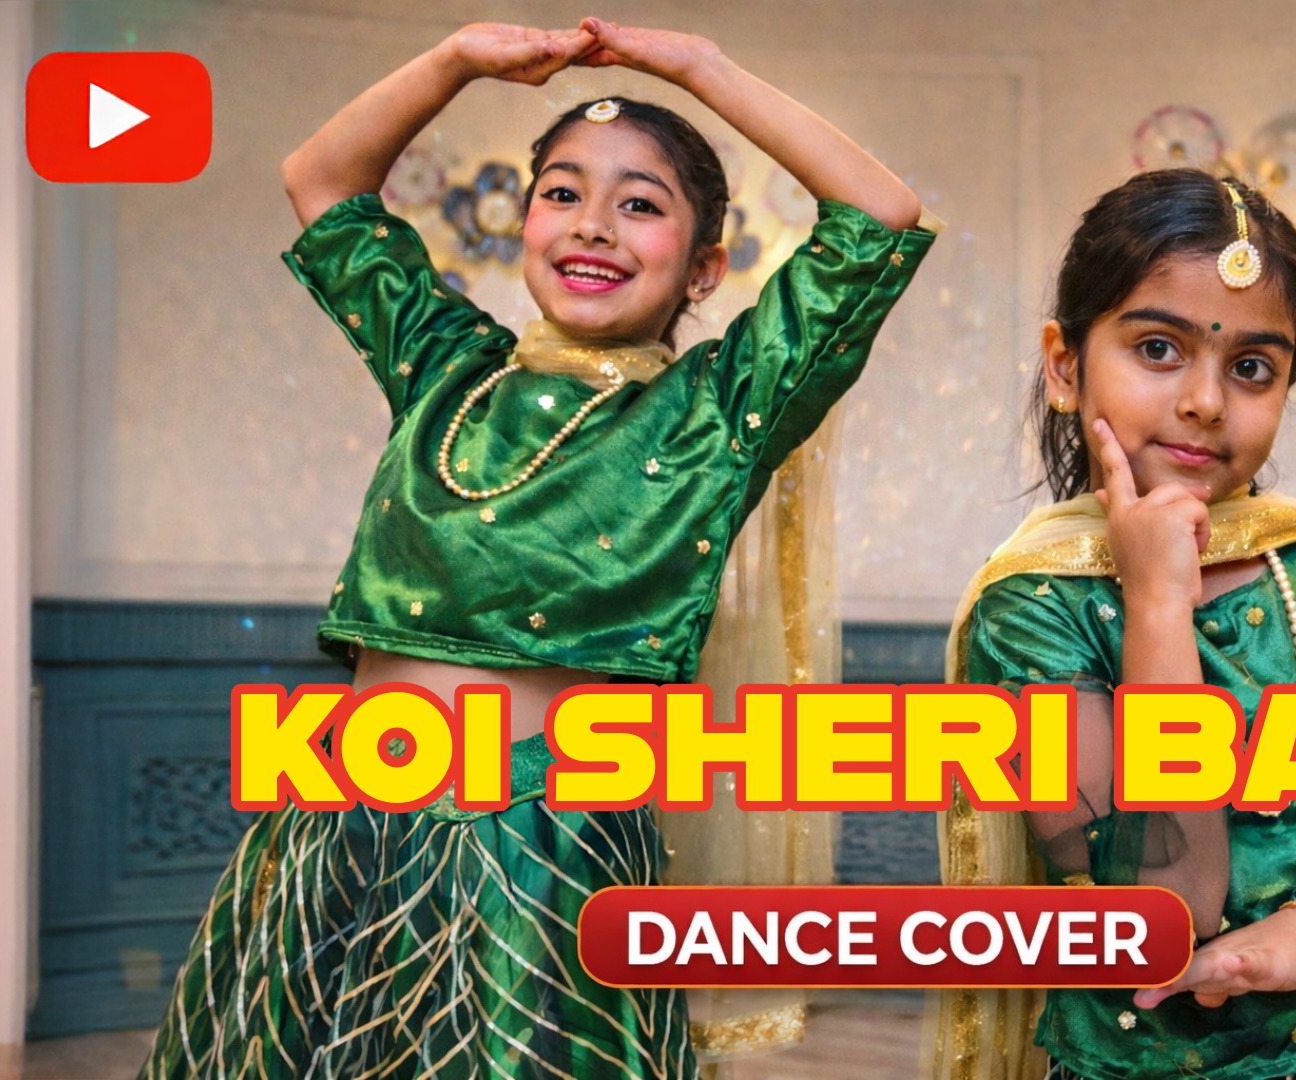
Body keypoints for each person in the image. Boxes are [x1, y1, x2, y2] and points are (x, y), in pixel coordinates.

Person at [140, 17, 932, 1078]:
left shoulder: (721, 413)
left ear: (704, 270)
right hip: (340, 827)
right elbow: (322, 181)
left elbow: (878, 216)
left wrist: (697, 68)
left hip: (547, 849)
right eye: (562, 192)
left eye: (639, 204)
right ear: (523, 225)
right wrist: (456, 60)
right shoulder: (443, 371)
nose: (593, 225)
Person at [928, 170, 1296, 1080]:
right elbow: (1165, 909)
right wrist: (1160, 605)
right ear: (1065, 365)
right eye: (1159, 348)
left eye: (1252, 367)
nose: (1208, 400)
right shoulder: (1032, 609)